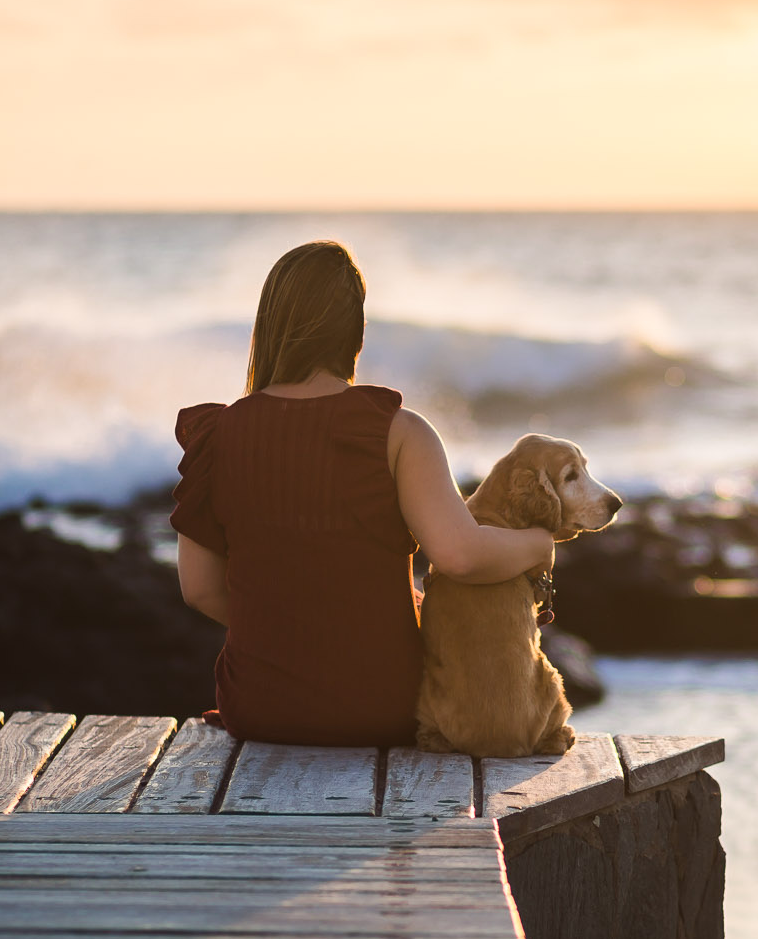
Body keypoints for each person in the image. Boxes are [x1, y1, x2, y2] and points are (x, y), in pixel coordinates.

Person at [170, 240, 554, 746]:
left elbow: (199, 589)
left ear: (267, 325)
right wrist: (539, 545)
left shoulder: (216, 436)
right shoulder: (398, 433)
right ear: (355, 331)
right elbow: (460, 555)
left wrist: (287, 632)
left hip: (260, 709)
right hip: (380, 707)